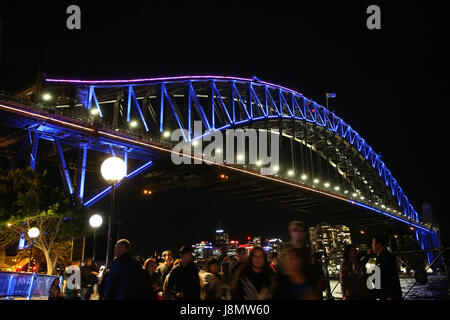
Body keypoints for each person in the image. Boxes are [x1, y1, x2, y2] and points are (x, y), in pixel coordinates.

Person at [286, 221, 327, 295]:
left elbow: (320, 273)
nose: (298, 234)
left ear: (305, 234)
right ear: (290, 233)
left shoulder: (309, 253)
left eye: (301, 231)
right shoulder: (287, 255)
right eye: (295, 230)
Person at [371, 234, 402, 300]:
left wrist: (390, 295)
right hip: (385, 293)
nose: (372, 245)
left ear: (379, 244)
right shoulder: (382, 256)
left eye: (373, 243)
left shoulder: (385, 257)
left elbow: (390, 277)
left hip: (388, 295)